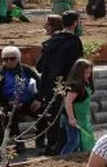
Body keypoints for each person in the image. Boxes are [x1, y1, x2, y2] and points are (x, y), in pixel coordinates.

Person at [35, 13, 84, 155]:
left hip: (50, 85)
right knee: (68, 116)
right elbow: (78, 67)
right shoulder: (74, 41)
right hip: (68, 86)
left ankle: (52, 146)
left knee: (53, 117)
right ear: (75, 23)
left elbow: (40, 67)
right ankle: (67, 146)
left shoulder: (51, 42)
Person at [59, 59, 96, 155]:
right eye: (85, 73)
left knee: (81, 140)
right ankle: (63, 157)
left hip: (81, 116)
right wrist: (71, 118)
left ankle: (79, 156)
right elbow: (68, 102)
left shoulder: (86, 84)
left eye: (89, 73)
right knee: (73, 141)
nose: (88, 75)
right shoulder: (75, 86)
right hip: (71, 117)